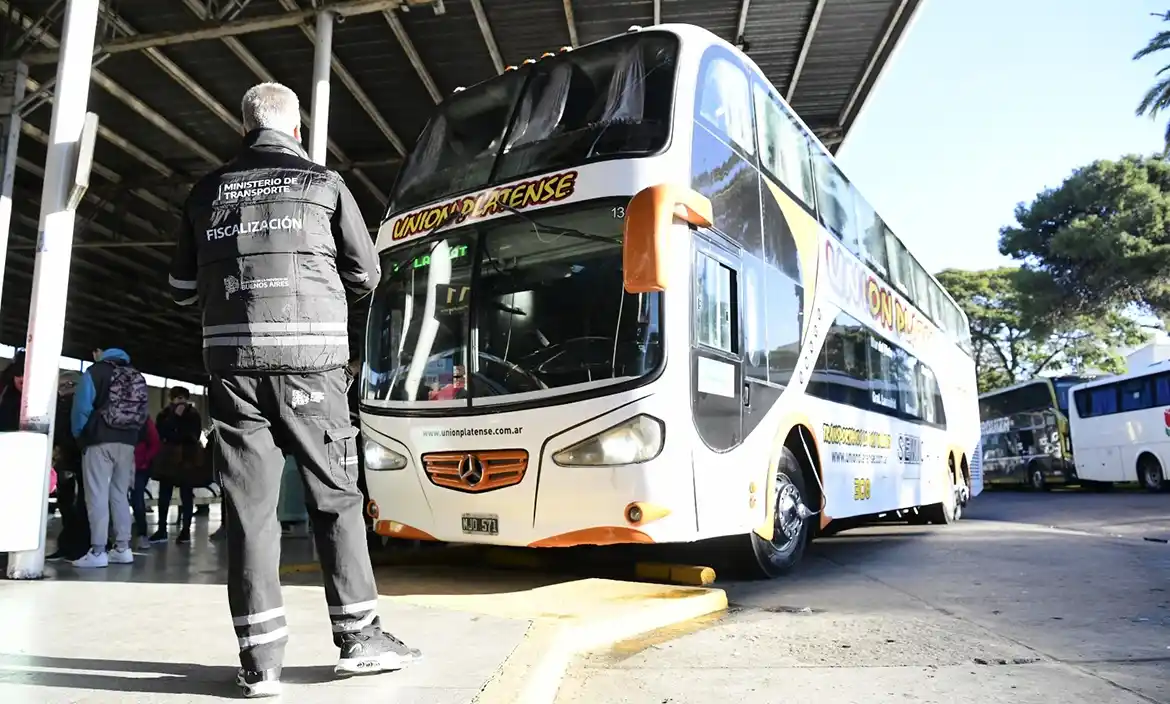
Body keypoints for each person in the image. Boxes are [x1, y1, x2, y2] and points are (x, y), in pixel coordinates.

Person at [168, 81, 420, 698]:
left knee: (250, 512)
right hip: (314, 366)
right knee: (334, 497)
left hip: (234, 369)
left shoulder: (206, 194)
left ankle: (261, 664)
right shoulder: (323, 185)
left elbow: (178, 288)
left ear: (243, 127)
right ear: (298, 130)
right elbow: (366, 273)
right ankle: (360, 638)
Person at [70, 347, 150, 569]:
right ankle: (123, 548)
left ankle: (98, 551)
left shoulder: (95, 372)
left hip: (99, 440)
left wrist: (80, 436)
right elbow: (144, 413)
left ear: (101, 354)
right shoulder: (136, 376)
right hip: (128, 443)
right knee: (120, 494)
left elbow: (81, 409)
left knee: (96, 494)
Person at [48, 370, 91, 561]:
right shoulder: (60, 405)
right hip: (69, 456)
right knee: (68, 503)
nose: (65, 389)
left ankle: (78, 545)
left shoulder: (83, 405)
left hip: (78, 456)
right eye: (62, 386)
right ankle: (70, 544)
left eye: (70, 385)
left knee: (77, 503)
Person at [150, 386, 203, 544]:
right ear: (171, 399)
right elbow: (160, 432)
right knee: (164, 495)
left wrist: (176, 431)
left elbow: (193, 434)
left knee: (186, 495)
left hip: (186, 459)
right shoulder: (165, 414)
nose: (181, 401)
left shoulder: (193, 415)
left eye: (183, 397)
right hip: (168, 459)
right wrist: (175, 418)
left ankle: (185, 530)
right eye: (178, 397)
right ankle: (161, 529)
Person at [131, 414, 161, 550]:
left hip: (139, 467)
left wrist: (145, 460)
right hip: (122, 464)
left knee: (137, 500)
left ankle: (142, 533)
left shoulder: (144, 420)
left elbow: (155, 443)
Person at [0, 349, 25, 432]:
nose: (23, 379)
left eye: (26, 373)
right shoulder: (5, 395)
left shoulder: (52, 404)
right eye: (18, 372)